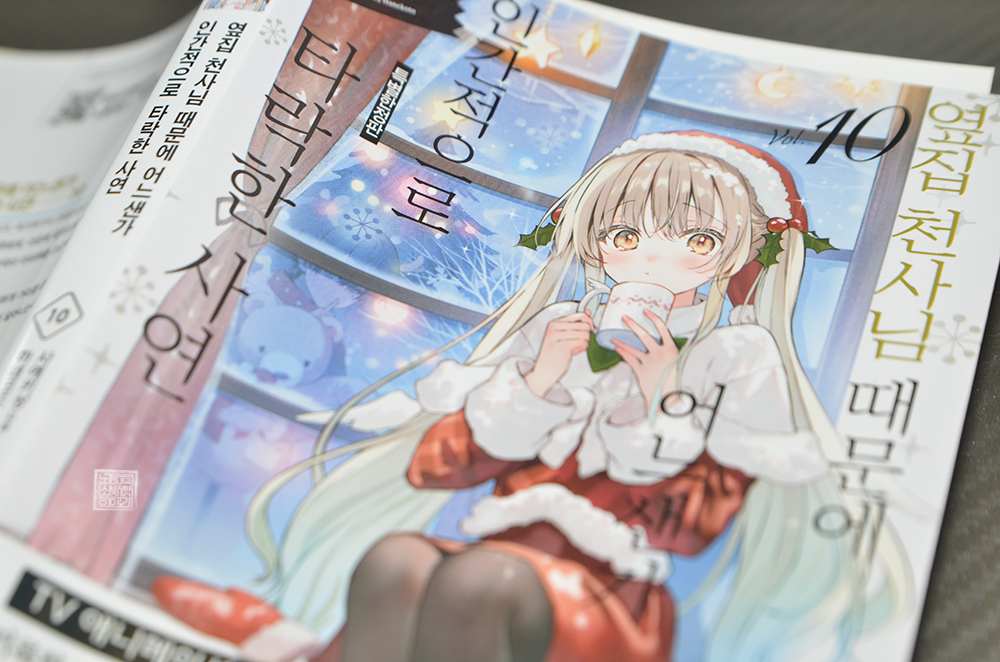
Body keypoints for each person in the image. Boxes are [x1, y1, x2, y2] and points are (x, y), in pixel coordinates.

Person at [154, 132, 907, 662]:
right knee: (396, 561)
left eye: (695, 241)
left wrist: (660, 395)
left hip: (610, 600)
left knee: (480, 580)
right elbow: (437, 469)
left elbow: (688, 531)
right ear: (596, 243)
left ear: (732, 255)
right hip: (496, 558)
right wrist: (540, 381)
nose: (652, 258)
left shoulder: (734, 358)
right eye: (625, 235)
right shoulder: (558, 329)